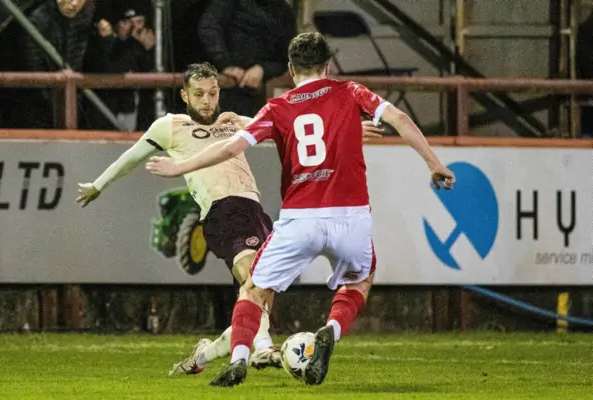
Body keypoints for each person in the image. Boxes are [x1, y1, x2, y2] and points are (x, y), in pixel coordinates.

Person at [144, 32, 456, 387]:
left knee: (253, 290)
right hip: (350, 217)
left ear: (290, 69)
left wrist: (180, 167)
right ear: (328, 65)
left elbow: (231, 147)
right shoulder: (351, 91)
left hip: (300, 219)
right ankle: (330, 331)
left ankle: (240, 359)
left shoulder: (278, 107)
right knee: (360, 280)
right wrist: (433, 163)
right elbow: (398, 117)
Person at [76, 61, 384, 376]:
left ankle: (203, 356)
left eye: (212, 93)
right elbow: (131, 157)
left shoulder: (233, 120)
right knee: (254, 278)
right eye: (199, 94)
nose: (207, 100)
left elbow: (287, 126)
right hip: (222, 211)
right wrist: (98, 185)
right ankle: (264, 348)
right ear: (184, 96)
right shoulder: (170, 126)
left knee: (255, 301)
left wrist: (348, 127)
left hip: (256, 212)